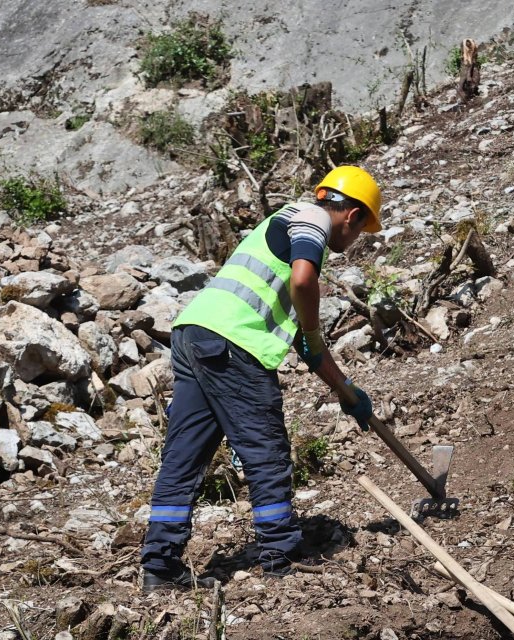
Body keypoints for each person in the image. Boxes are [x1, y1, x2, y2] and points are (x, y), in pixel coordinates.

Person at [140, 166, 383, 591]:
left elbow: (310, 351)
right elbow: (305, 282)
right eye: (363, 229)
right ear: (353, 215)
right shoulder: (311, 220)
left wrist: (347, 392)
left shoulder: (281, 227)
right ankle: (281, 557)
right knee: (265, 452)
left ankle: (159, 567)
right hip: (233, 348)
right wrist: (310, 330)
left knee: (183, 457)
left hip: (194, 335)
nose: (356, 239)